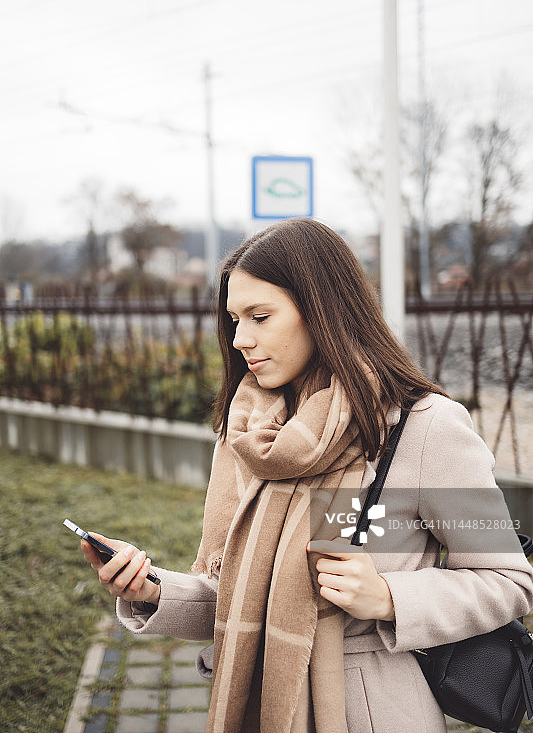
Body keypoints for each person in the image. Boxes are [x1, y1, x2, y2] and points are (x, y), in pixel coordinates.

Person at [82, 218, 533, 733]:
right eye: (234, 319)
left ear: (322, 312)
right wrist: (152, 590)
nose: (239, 339)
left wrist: (389, 598)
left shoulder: (423, 427)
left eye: (260, 316)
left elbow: (510, 580)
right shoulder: (247, 434)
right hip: (256, 702)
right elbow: (233, 597)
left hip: (373, 711)